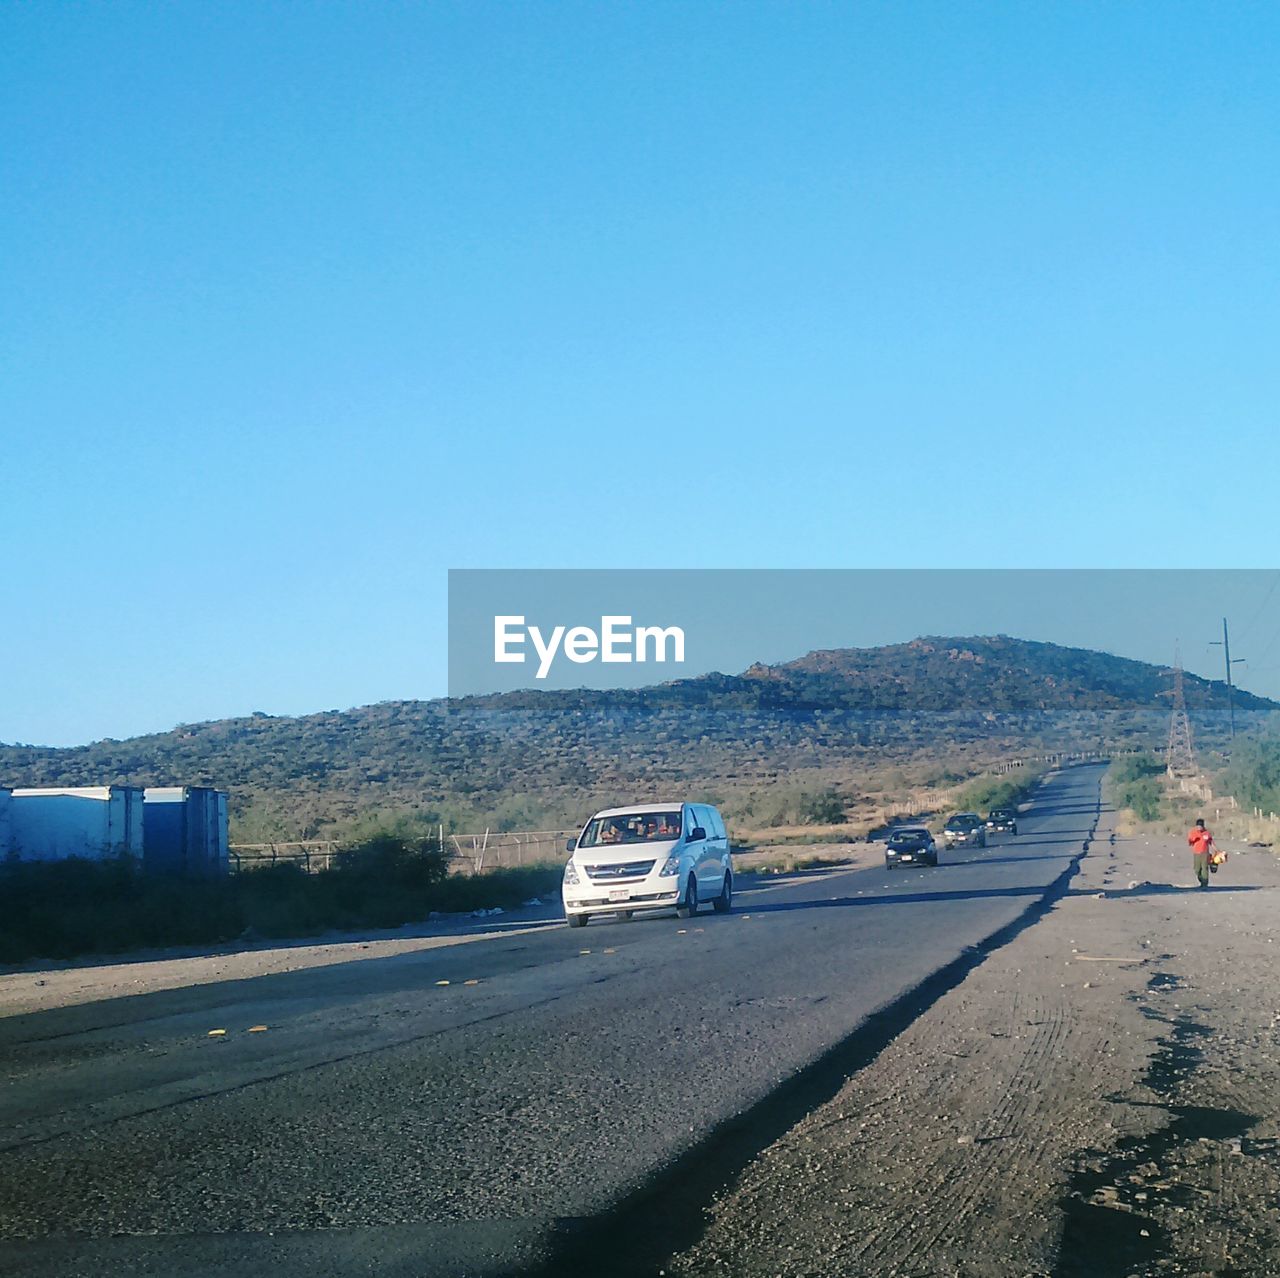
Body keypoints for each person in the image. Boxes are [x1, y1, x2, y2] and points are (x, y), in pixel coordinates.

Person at [1188, 818, 1215, 889]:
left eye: (1200, 826)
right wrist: (1193, 839)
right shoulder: (1193, 832)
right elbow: (1190, 843)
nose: (1199, 828)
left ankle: (1204, 883)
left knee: (1205, 868)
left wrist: (1217, 850)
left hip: (1205, 853)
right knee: (1197, 869)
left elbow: (1211, 842)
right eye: (1198, 826)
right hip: (1196, 853)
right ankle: (1201, 880)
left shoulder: (1207, 833)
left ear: (1203, 826)